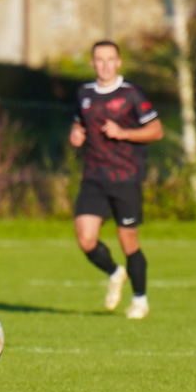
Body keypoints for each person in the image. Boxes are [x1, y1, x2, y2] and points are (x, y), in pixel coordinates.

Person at [69, 40, 163, 319]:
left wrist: (124, 133)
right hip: (94, 176)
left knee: (128, 241)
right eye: (100, 59)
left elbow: (156, 130)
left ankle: (140, 300)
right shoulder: (84, 93)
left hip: (126, 177)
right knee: (86, 239)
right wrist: (75, 132)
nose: (105, 64)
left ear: (119, 62)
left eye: (110, 59)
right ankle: (114, 271)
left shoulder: (132, 94)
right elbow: (79, 122)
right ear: (92, 63)